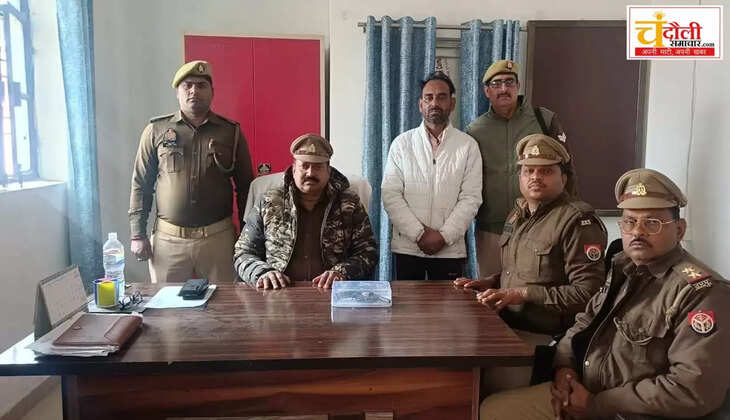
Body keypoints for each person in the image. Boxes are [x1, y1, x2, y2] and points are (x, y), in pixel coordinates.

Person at [480, 168, 730, 420]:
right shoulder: (624, 266)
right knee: (489, 407)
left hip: (625, 411)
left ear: (679, 230)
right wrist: (565, 368)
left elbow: (693, 389)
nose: (638, 232)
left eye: (652, 223)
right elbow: (585, 321)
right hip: (585, 390)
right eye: (630, 222)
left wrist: (597, 404)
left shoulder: (702, 293)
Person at [128, 60, 253, 283]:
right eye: (188, 86)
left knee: (223, 302)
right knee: (166, 304)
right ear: (178, 93)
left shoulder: (230, 132)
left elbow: (246, 188)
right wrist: (138, 233)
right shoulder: (156, 130)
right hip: (168, 240)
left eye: (201, 85)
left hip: (218, 240)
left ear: (212, 92)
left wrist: (248, 237)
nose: (194, 91)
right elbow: (141, 184)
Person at [466, 59, 573, 278]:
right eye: (496, 84)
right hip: (492, 231)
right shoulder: (475, 130)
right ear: (487, 91)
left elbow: (568, 169)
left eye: (509, 82)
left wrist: (568, 217)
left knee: (535, 288)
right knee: (490, 290)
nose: (503, 89)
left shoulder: (543, 120)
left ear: (518, 86)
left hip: (542, 227)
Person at [234, 133, 377, 289]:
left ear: (328, 171)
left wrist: (341, 272)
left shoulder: (349, 203)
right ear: (294, 169)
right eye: (304, 166)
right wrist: (263, 273)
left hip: (332, 291)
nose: (310, 173)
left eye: (318, 167)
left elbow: (368, 252)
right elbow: (243, 252)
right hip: (277, 291)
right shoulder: (269, 202)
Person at [381, 71, 482, 280]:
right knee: (407, 302)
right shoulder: (401, 144)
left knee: (448, 302)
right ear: (420, 105)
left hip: (450, 250)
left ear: (452, 103)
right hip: (408, 248)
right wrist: (419, 234)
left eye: (441, 97)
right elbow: (391, 195)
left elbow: (471, 198)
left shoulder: (467, 146)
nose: (434, 103)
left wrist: (443, 237)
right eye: (429, 98)